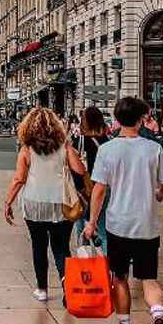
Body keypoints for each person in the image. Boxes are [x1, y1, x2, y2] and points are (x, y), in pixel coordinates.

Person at [84, 97, 163, 324]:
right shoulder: (153, 149)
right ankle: (158, 319)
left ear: (117, 119)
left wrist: (91, 222)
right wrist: (159, 193)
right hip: (146, 225)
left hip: (118, 224)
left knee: (120, 278)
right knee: (149, 279)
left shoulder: (107, 150)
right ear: (141, 119)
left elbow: (99, 191)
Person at [4, 107, 86, 303]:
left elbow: (19, 179)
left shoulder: (27, 150)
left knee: (39, 247)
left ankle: (42, 289)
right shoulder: (65, 148)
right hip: (62, 204)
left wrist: (8, 202)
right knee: (61, 248)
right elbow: (80, 170)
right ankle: (67, 286)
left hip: (34, 204)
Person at [74, 106, 110, 252]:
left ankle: (85, 265)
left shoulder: (81, 141)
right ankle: (107, 267)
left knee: (82, 227)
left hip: (84, 189)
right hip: (104, 187)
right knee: (102, 229)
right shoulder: (107, 141)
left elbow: (76, 168)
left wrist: (78, 188)